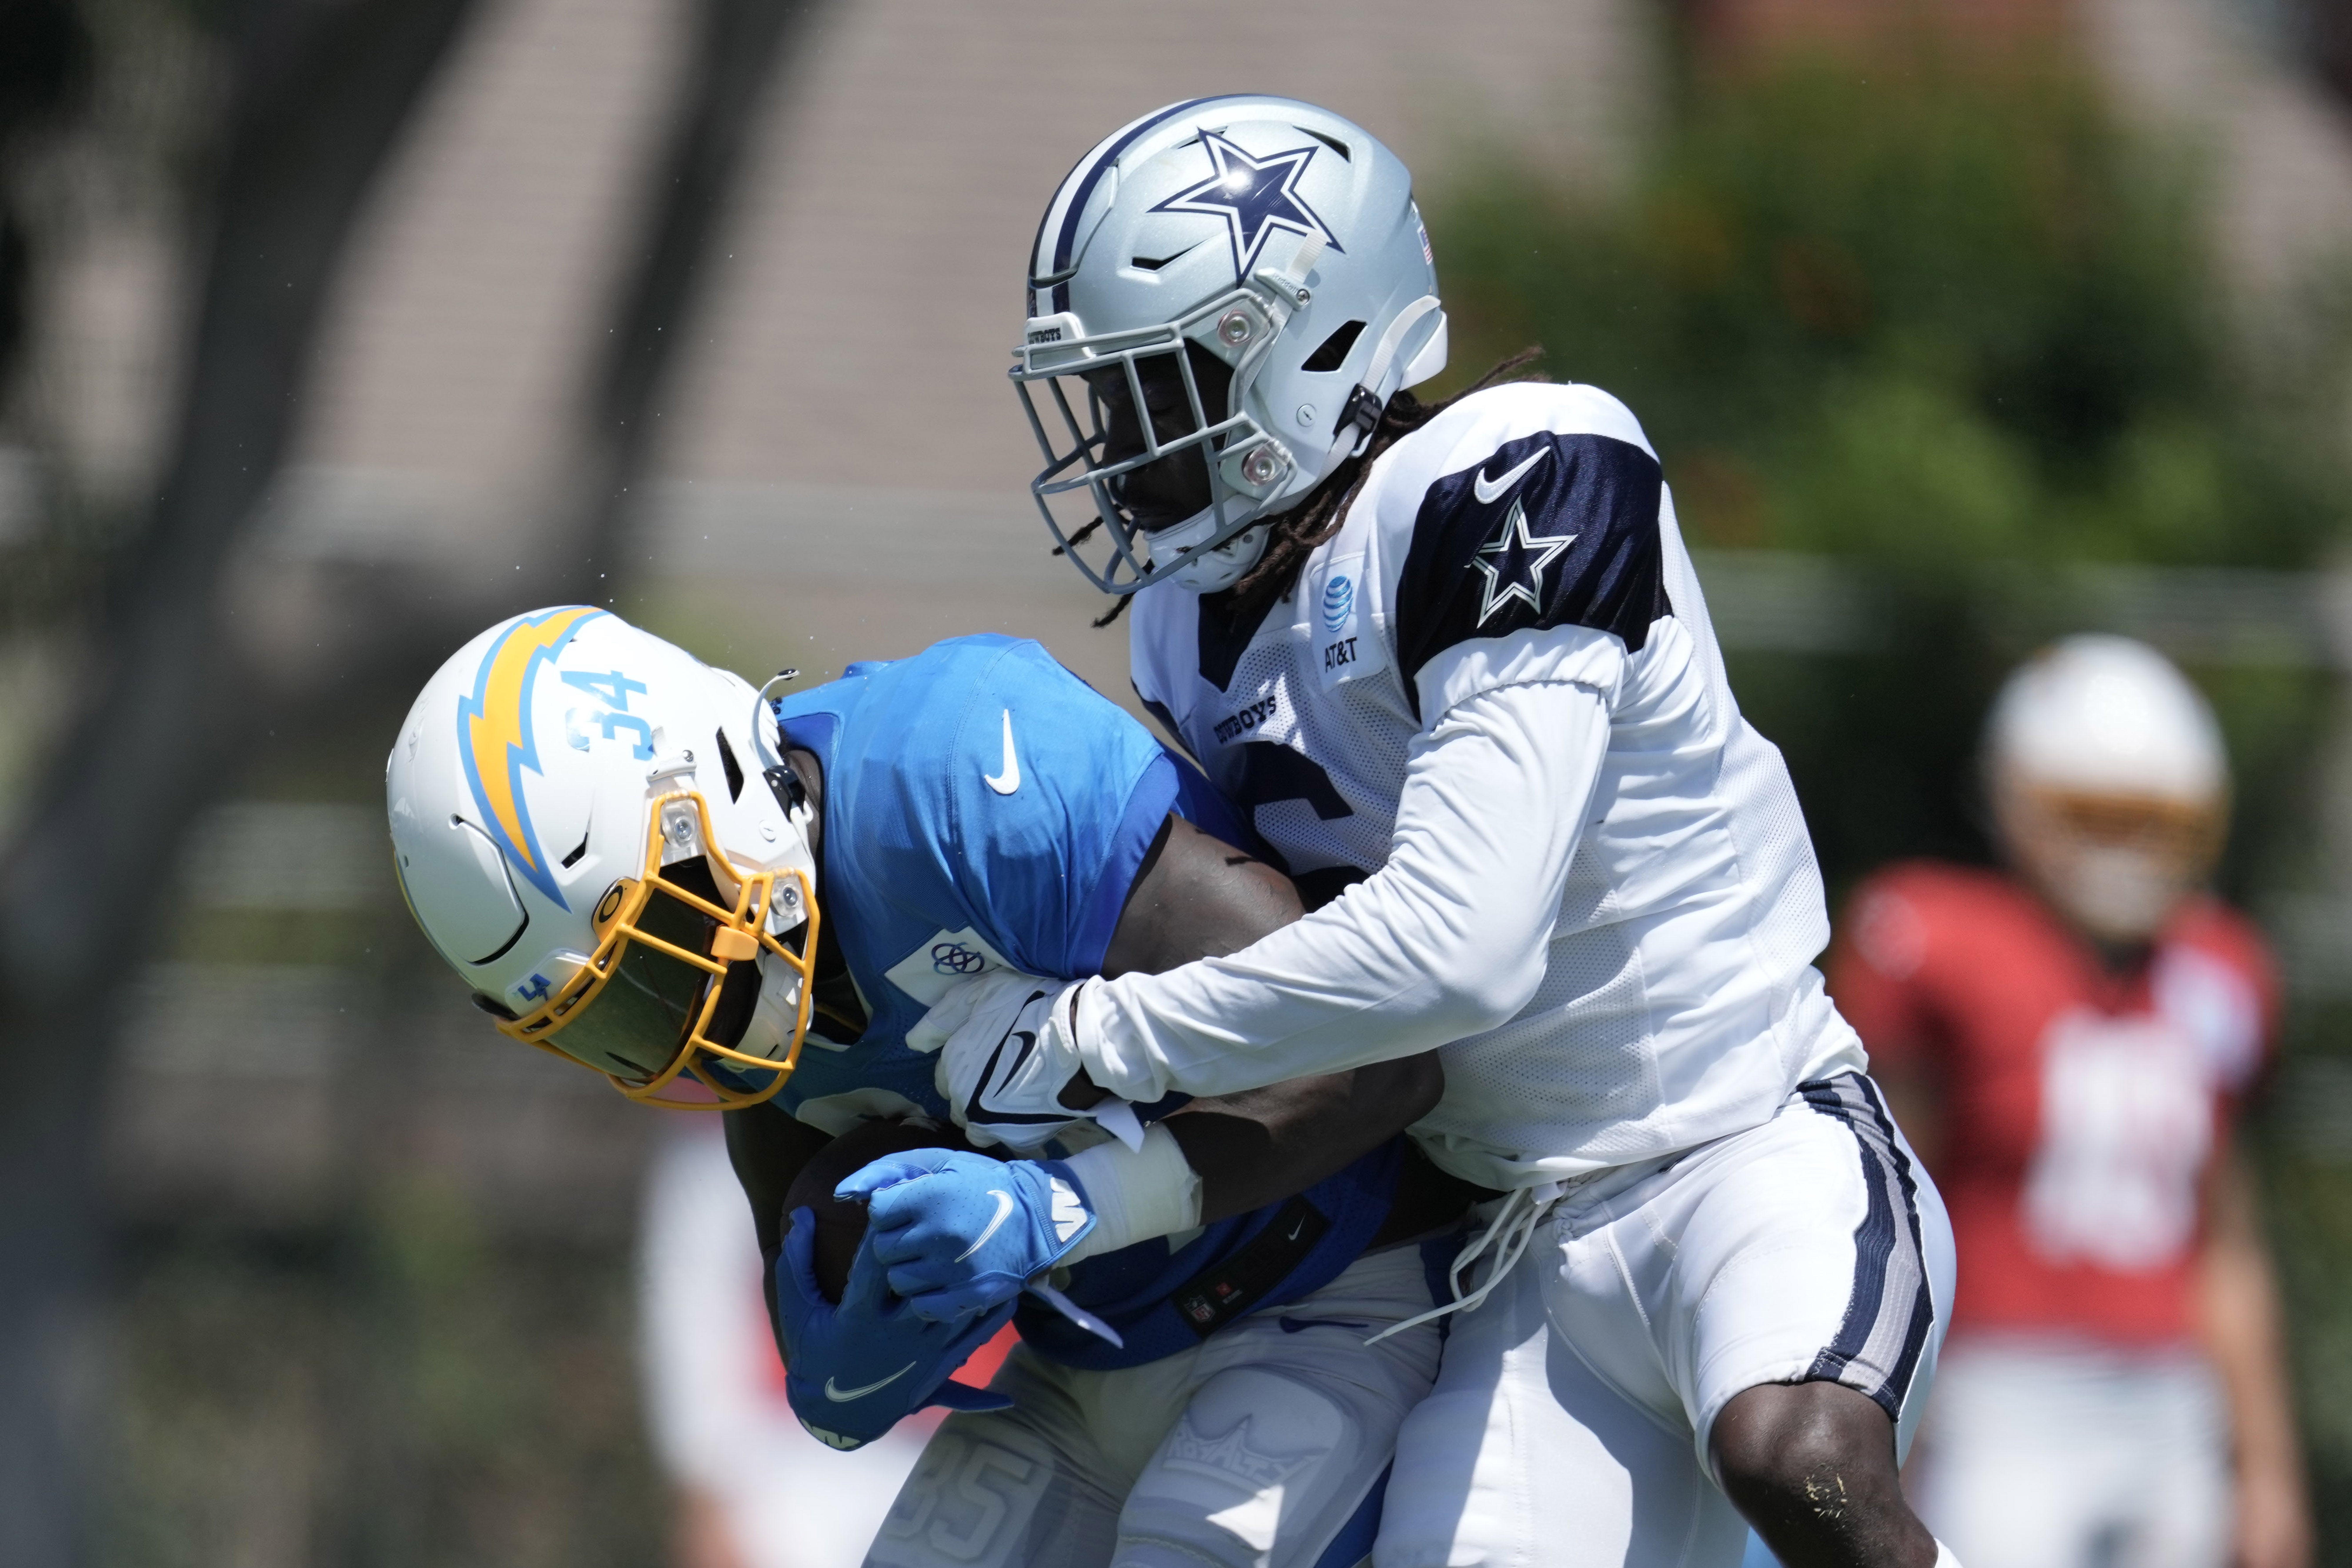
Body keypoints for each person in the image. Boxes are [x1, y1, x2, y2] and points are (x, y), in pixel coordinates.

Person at [898, 95, 1962, 1568]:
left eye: (1163, 390)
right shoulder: (1187, 626)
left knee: (1797, 1455)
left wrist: (1099, 1036)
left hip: (1748, 1140)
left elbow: (1459, 952)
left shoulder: (1515, 473)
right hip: (1517, 1250)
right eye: (1115, 402)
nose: (1129, 451)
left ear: (1315, 343)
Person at [384, 608, 1466, 1568]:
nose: (681, 1031)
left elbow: (1380, 1057)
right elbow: (808, 1295)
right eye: (615, 1016)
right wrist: (844, 1363)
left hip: (1322, 1287)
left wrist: (1072, 1206)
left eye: (660, 956)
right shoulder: (746, 966)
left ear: (707, 788)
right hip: (1081, 1368)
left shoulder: (962, 780)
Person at [1829, 635, 2311, 1568]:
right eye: (2093, 815)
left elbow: (2227, 1244)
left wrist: (2267, 1474)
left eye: (2150, 820)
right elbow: (1889, 1204)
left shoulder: (2218, 971)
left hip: (2173, 1402)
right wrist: (1885, 1413)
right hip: (2000, 1401)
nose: (2124, 850)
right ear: (2017, 802)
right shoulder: (1943, 940)